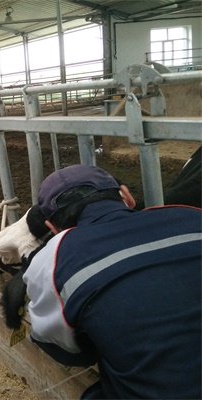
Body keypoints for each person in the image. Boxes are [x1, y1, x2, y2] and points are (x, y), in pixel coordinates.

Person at [23, 164, 201, 399]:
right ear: (127, 196)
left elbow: (65, 349)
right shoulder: (193, 215)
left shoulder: (55, 257)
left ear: (53, 228)